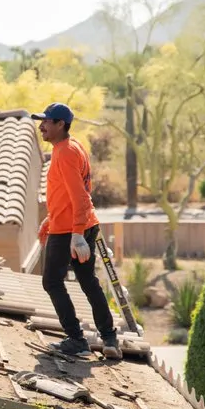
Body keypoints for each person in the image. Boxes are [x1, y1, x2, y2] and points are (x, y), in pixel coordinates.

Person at [33, 102, 122, 360]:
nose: (41, 126)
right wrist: (51, 219)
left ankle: (76, 339)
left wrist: (76, 234)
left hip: (70, 230)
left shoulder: (65, 153)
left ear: (60, 124)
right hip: (76, 225)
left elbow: (80, 196)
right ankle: (110, 338)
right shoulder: (72, 147)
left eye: (46, 121)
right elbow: (70, 194)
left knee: (51, 281)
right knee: (88, 281)